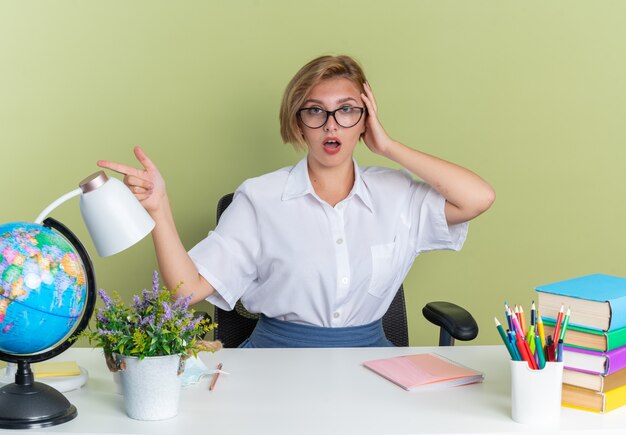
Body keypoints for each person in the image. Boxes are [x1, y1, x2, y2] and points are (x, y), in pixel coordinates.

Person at [98, 55, 495, 348]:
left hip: (374, 364)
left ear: (365, 119)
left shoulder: (397, 193)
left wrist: (388, 146)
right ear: (297, 122)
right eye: (315, 112)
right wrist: (159, 209)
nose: (331, 124)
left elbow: (479, 197)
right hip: (276, 360)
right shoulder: (260, 198)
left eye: (347, 111)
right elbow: (186, 291)